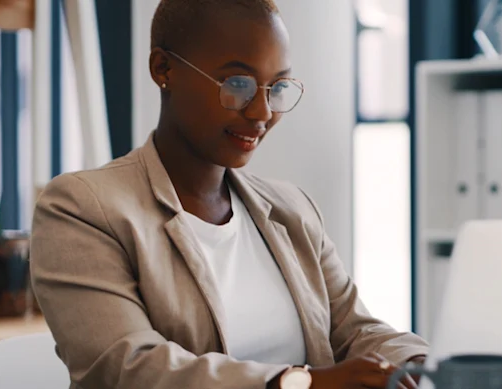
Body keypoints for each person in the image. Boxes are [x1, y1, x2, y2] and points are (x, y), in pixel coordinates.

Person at [29, 0, 427, 388]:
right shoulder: (82, 209)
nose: (262, 112)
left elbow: (356, 331)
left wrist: (419, 364)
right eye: (238, 84)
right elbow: (130, 368)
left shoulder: (291, 210)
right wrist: (300, 383)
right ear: (163, 68)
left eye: (277, 87)